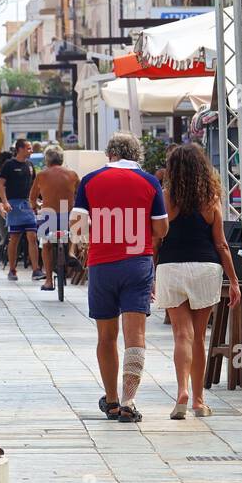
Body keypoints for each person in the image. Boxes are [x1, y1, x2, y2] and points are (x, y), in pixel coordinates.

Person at [70, 133, 169, 423]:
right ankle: (129, 401)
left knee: (106, 336)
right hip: (137, 263)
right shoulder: (150, 182)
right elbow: (161, 230)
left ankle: (111, 400)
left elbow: (77, 228)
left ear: (110, 154)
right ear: (136, 154)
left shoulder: (90, 180)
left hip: (102, 264)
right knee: (135, 336)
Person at [154, 144, 240, 418]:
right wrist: (234, 280)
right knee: (199, 337)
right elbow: (222, 245)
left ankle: (182, 391)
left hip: (172, 267)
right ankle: (199, 401)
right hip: (206, 268)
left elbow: (156, 240)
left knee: (182, 334)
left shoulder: (166, 198)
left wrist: (151, 272)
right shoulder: (211, 199)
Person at [30, 144, 80, 293]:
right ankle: (71, 251)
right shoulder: (72, 174)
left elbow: (32, 198)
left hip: (48, 215)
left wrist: (35, 206)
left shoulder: (41, 175)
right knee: (75, 230)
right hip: (68, 216)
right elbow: (82, 192)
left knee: (46, 245)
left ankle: (49, 280)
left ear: (47, 160)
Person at [0, 139, 41, 281]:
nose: (31, 151)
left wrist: (37, 201)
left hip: (27, 204)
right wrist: (4, 202)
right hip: (14, 205)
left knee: (32, 237)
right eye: (29, 148)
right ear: (20, 149)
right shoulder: (9, 165)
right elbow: (1, 185)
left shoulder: (30, 165)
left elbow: (35, 186)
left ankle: (36, 270)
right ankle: (12, 269)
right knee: (15, 238)